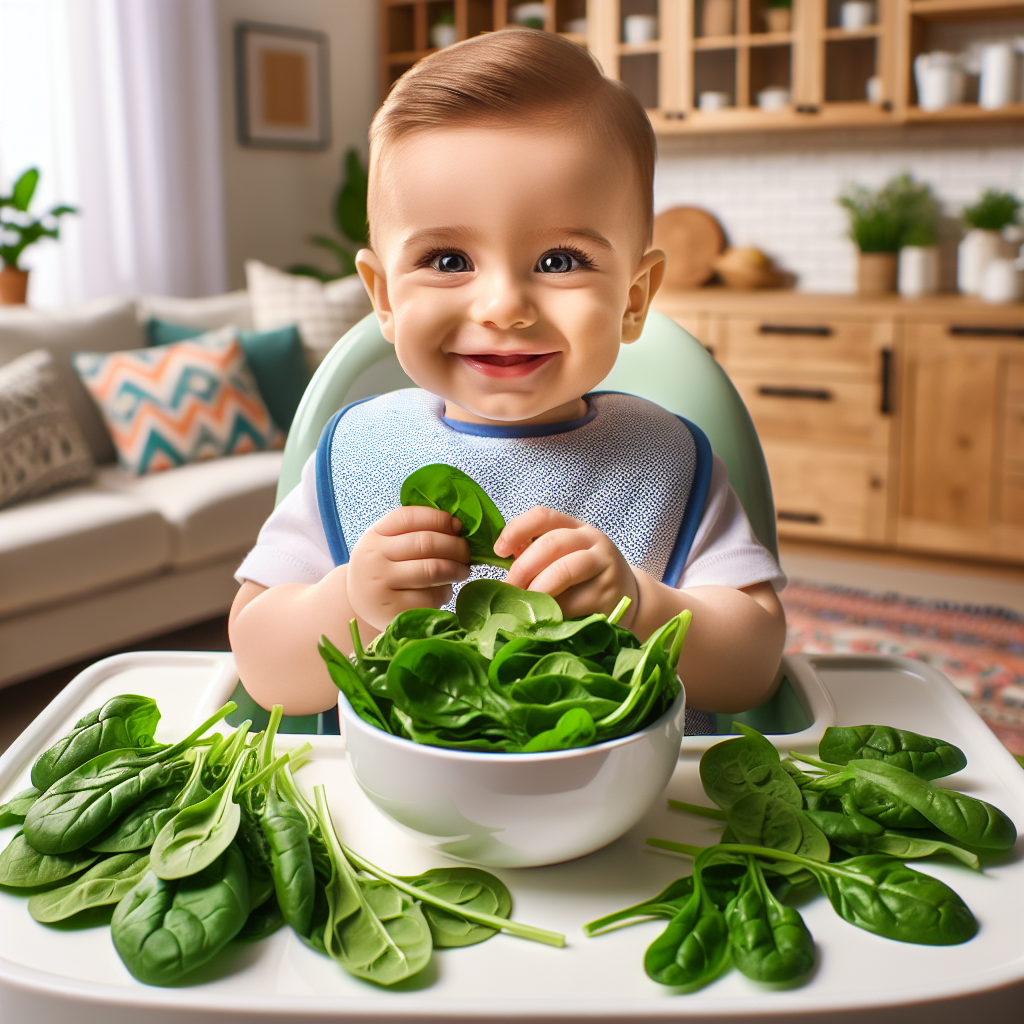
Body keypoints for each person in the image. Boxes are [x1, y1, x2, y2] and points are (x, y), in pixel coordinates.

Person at [229, 29, 786, 723]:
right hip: (392, 821)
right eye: (448, 260)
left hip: (630, 811)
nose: (502, 308)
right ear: (384, 298)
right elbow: (260, 670)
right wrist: (347, 604)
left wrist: (643, 608)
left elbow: (755, 670)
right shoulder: (355, 455)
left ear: (635, 299)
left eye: (558, 261)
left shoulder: (668, 461)